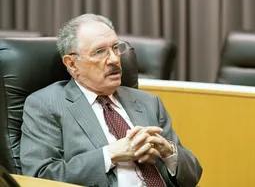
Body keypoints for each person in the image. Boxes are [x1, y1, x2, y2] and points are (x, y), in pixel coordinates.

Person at [20, 14, 202, 187]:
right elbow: (39, 177)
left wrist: (168, 151)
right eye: (100, 52)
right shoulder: (46, 105)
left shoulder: (148, 102)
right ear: (72, 64)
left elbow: (193, 175)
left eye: (115, 47)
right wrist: (111, 154)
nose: (114, 59)